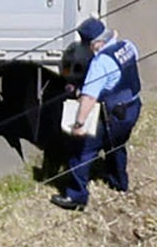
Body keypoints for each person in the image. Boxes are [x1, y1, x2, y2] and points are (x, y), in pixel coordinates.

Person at [55, 17, 141, 209]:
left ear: (97, 43)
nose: (86, 49)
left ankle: (76, 197)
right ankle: (119, 183)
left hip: (114, 114)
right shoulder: (127, 46)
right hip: (133, 107)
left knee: (81, 150)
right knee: (116, 145)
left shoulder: (101, 62)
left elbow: (89, 98)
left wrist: (79, 124)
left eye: (88, 45)